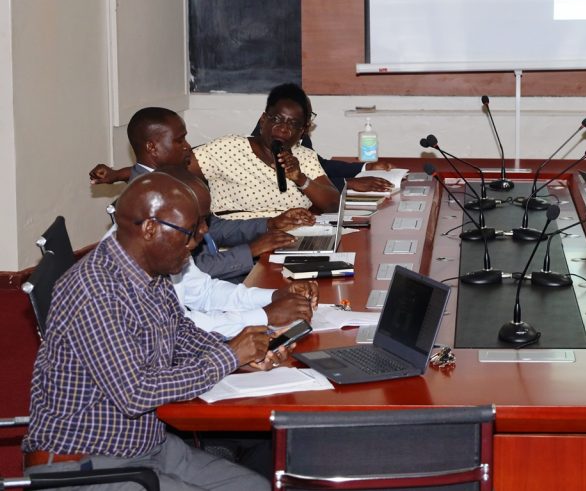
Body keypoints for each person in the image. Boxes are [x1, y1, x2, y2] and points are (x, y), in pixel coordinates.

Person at [22, 173, 272, 491]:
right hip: (84, 461)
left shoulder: (151, 270)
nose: (201, 237)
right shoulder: (95, 291)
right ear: (150, 229)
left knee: (253, 486)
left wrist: (236, 354)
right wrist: (227, 356)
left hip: (146, 446)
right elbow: (136, 392)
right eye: (192, 231)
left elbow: (179, 330)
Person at [89, 106, 311, 280]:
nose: (188, 146)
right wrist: (251, 250)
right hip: (205, 287)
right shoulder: (150, 199)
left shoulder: (171, 180)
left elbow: (214, 227)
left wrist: (270, 224)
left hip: (216, 277)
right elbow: (188, 271)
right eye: (179, 140)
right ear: (152, 148)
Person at [159, 166, 318, 338]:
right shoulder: (133, 276)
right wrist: (265, 316)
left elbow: (205, 292)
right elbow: (183, 330)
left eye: (205, 220)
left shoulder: (173, 244)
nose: (205, 230)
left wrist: (275, 296)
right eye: (197, 223)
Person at [191, 84, 392, 218]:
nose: (283, 129)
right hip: (244, 246)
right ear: (263, 120)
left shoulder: (304, 157)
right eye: (277, 120)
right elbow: (176, 170)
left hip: (294, 243)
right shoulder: (229, 148)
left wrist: (300, 178)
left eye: (293, 124)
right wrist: (200, 214)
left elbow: (333, 205)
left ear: (302, 132)